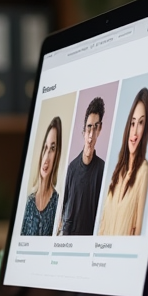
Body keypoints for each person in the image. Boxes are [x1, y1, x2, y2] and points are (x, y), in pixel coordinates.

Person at [97, 87, 148, 236]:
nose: (134, 132)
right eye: (133, 123)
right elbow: (103, 225)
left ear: (145, 129)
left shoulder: (143, 170)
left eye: (140, 123)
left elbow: (137, 229)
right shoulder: (117, 171)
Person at [56, 97, 105, 235]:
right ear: (83, 131)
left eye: (96, 128)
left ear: (99, 130)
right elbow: (63, 210)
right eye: (89, 127)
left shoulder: (103, 169)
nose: (91, 134)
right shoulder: (71, 169)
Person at [21, 115, 62, 236]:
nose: (46, 158)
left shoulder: (58, 204)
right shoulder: (29, 203)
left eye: (52, 149)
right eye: (46, 148)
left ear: (57, 155)